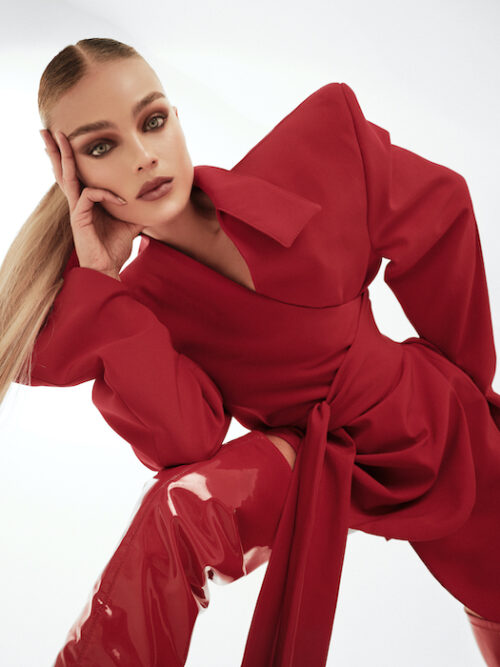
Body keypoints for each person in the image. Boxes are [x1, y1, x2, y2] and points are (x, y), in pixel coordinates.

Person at [1, 36, 499, 666]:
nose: (144, 156)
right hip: (309, 459)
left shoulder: (312, 154)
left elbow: (441, 208)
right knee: (180, 511)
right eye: (102, 147)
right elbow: (188, 440)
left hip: (437, 422)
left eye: (152, 121)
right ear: (71, 173)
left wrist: (465, 381)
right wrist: (102, 283)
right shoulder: (139, 304)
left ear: (176, 119)